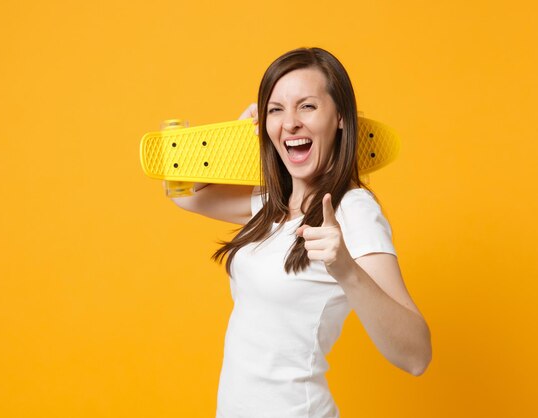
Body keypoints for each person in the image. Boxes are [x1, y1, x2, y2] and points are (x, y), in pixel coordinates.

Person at [171, 47, 432, 418]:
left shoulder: (352, 211)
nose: (290, 123)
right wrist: (236, 137)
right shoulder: (270, 206)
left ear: (340, 117)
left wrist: (347, 270)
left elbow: (416, 355)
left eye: (306, 107)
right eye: (276, 110)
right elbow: (184, 195)